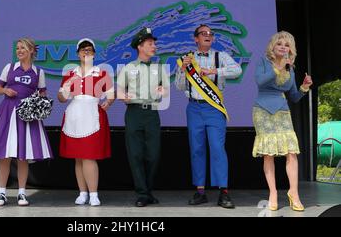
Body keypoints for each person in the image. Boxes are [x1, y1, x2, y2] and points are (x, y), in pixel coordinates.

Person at [0, 38, 53, 207]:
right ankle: (2, 193)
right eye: (17, 48)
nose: (19, 51)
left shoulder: (38, 72)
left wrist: (39, 103)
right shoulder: (10, 67)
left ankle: (21, 193)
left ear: (31, 51)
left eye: (23, 48)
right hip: (8, 112)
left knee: (23, 156)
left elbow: (42, 93)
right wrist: (5, 90)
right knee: (4, 155)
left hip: (27, 116)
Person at [175, 24, 241, 209]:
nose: (208, 36)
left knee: (217, 148)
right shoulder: (187, 59)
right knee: (197, 149)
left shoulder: (221, 56)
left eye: (211, 34)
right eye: (203, 33)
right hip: (194, 108)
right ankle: (200, 191)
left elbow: (238, 71)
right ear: (196, 38)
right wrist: (182, 70)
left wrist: (215, 71)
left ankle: (224, 192)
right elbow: (180, 87)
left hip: (214, 108)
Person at [252, 31, 312, 211]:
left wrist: (304, 87)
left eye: (287, 45)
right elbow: (261, 82)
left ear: (290, 49)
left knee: (291, 152)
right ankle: (273, 193)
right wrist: (278, 67)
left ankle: (294, 193)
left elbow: (293, 96)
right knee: (268, 154)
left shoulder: (290, 68)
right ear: (273, 46)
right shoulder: (264, 62)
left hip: (282, 111)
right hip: (262, 110)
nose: (283, 47)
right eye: (280, 44)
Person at [117, 27, 170, 207]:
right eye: (150, 43)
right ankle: (142, 194)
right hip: (134, 113)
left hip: (152, 113)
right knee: (135, 154)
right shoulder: (128, 68)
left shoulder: (160, 68)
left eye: (154, 43)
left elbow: (166, 88)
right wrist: (122, 96)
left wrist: (164, 90)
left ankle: (147, 191)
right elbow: (119, 89)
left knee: (153, 155)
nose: (154, 46)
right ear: (140, 46)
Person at [58, 38, 114, 206]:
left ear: (94, 54)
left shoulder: (101, 73)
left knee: (89, 156)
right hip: (74, 115)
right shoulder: (70, 74)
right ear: (78, 54)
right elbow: (61, 98)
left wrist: (108, 102)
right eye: (83, 50)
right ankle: (82, 193)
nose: (86, 52)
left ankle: (94, 194)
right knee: (78, 158)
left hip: (92, 114)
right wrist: (66, 90)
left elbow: (111, 94)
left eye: (89, 49)